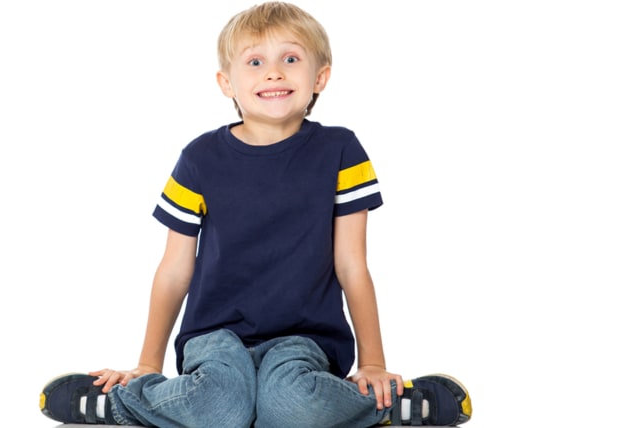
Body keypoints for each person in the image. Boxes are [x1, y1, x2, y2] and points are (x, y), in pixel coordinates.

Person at [39, 2, 472, 427]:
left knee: (291, 411)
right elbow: (174, 269)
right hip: (214, 337)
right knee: (221, 411)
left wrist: (373, 362)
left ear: (320, 76)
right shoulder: (199, 158)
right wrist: (148, 363)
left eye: (290, 58)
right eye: (255, 61)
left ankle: (388, 403)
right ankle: (123, 402)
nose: (274, 72)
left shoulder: (340, 151)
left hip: (305, 339)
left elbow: (351, 264)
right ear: (226, 82)